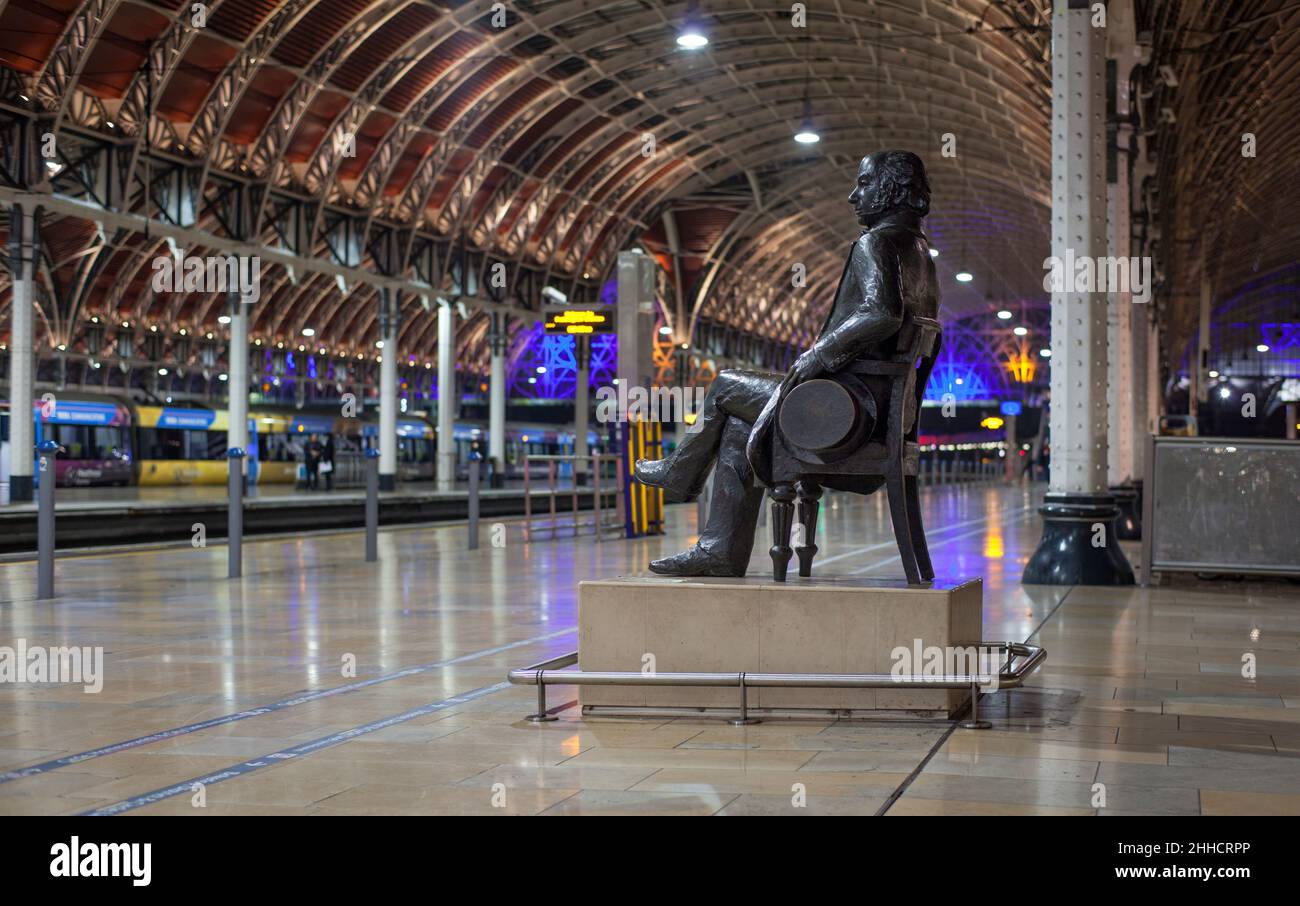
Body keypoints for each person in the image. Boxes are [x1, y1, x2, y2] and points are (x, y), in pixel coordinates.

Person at [633, 150, 940, 576]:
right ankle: (719, 550)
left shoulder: (879, 242)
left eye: (864, 183)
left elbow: (881, 313)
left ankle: (678, 474)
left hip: (846, 412)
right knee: (740, 427)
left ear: (891, 189)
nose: (853, 196)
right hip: (873, 410)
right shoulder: (921, 253)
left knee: (724, 384)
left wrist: (817, 355)